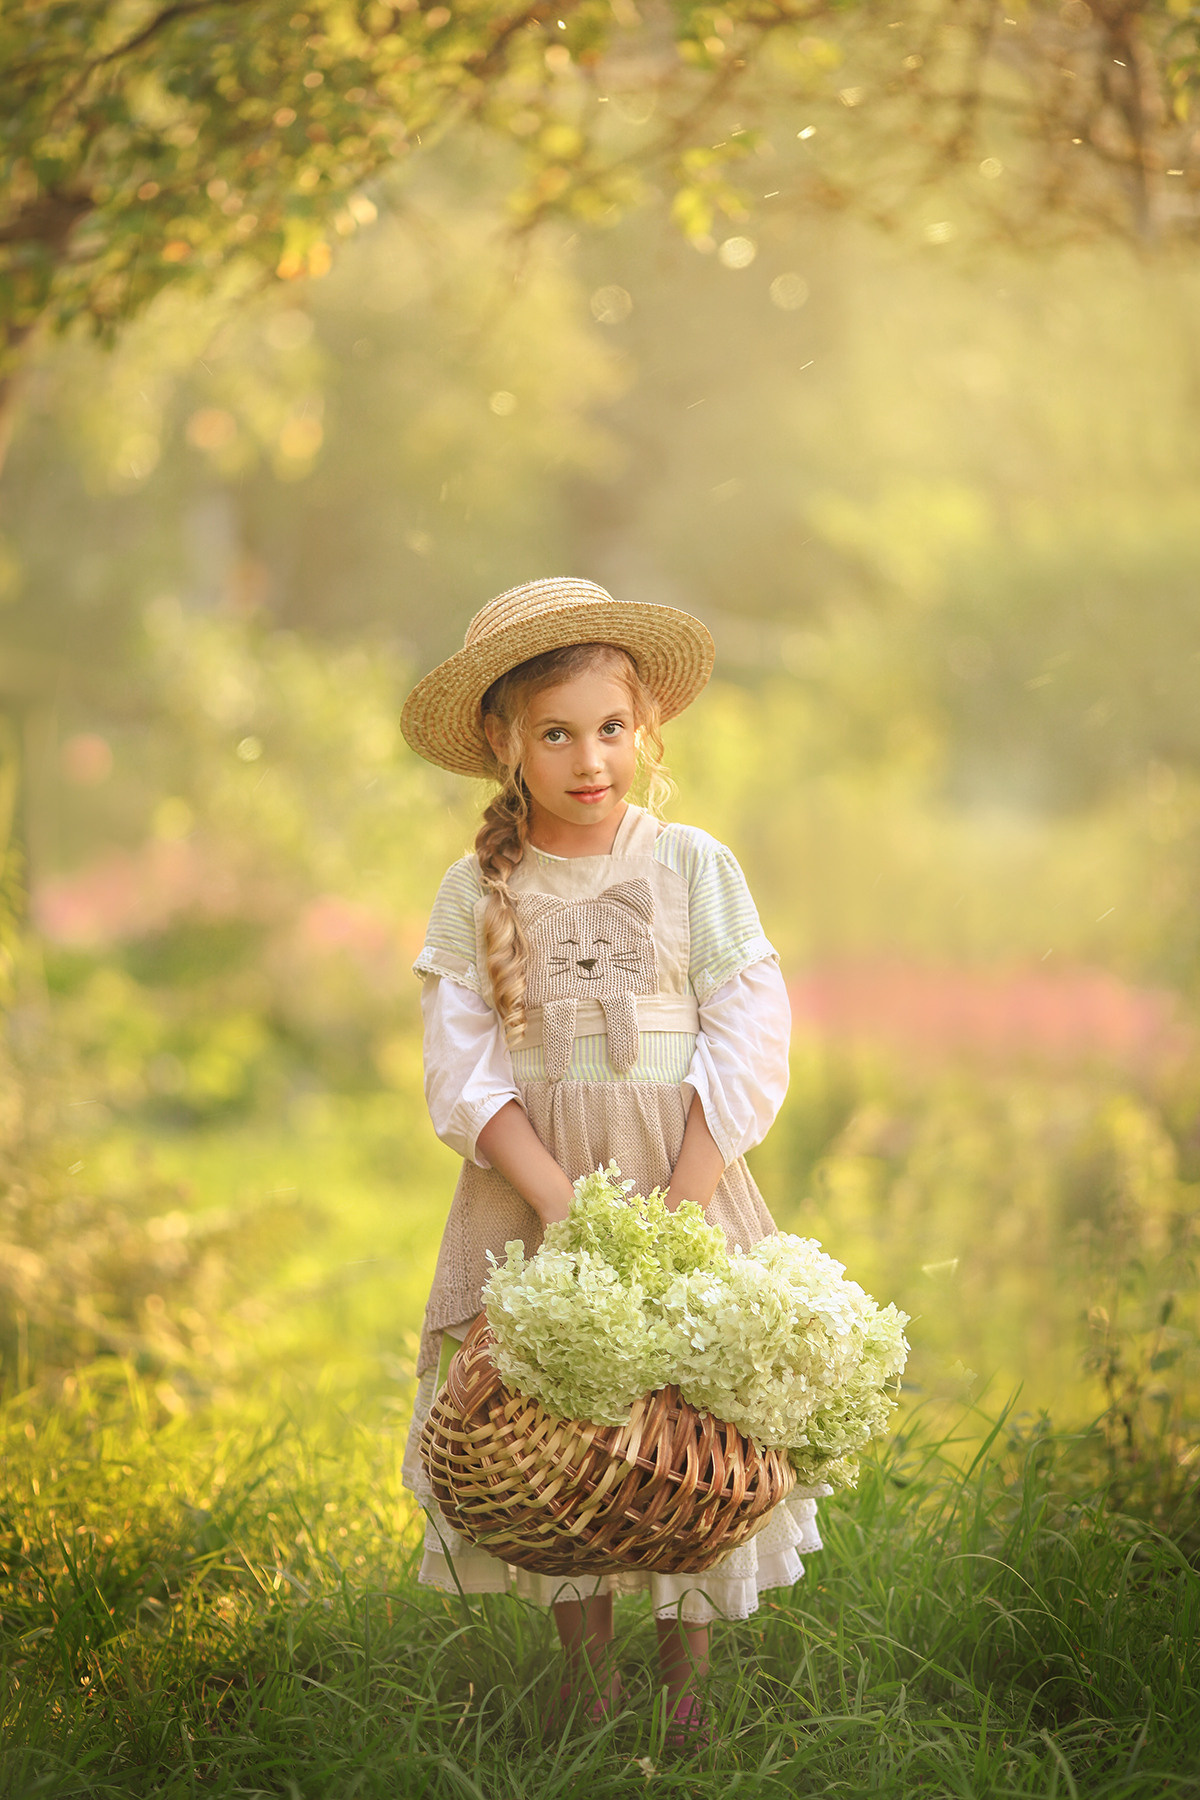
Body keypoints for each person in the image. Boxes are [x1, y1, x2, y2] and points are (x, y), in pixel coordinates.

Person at [398, 577, 828, 1743]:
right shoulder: (477, 886)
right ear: (504, 743)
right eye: (556, 733)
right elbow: (463, 1072)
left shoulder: (691, 866)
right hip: (539, 1187)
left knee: (688, 1440)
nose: (591, 758)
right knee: (565, 1441)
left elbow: (749, 1031)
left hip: (680, 1175)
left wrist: (684, 1199)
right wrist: (559, 1206)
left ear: (644, 731)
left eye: (612, 728)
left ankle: (684, 1688)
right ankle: (587, 1683)